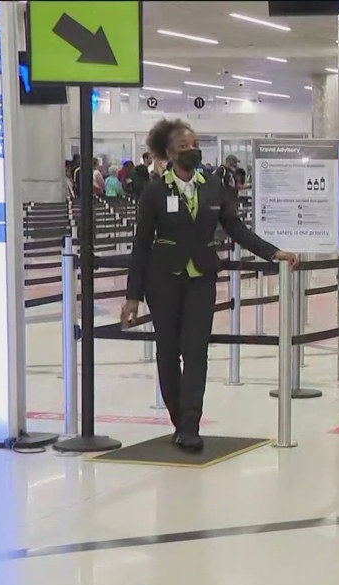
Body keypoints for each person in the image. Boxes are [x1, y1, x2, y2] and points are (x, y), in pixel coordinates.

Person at [122, 119, 299, 452]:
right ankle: (177, 416)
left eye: (195, 144)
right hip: (163, 281)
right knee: (167, 352)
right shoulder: (156, 191)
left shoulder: (213, 186)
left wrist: (273, 252)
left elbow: (235, 227)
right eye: (183, 146)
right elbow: (141, 244)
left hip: (201, 279)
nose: (192, 150)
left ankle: (190, 423)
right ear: (169, 153)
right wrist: (132, 297)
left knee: (196, 352)